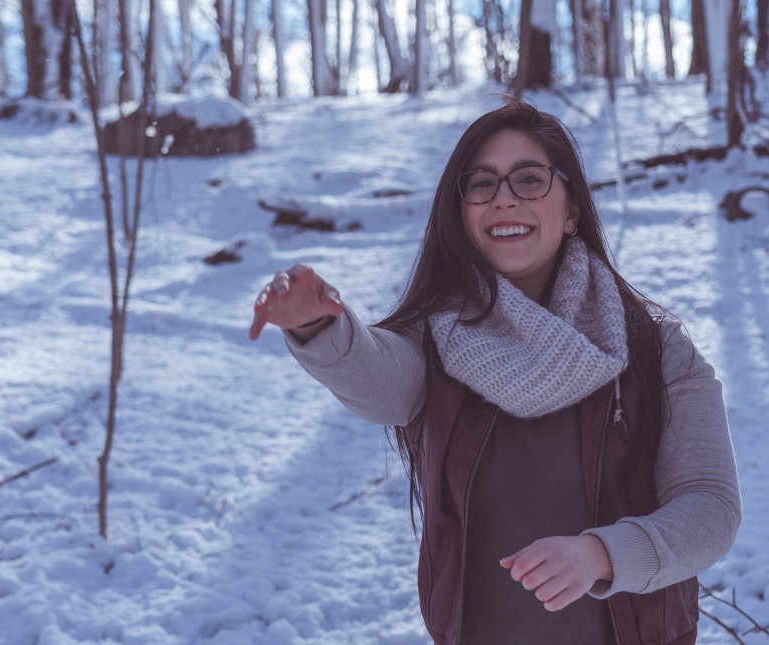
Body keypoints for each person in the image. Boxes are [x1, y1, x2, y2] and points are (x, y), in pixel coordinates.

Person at [248, 99, 740, 645]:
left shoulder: (655, 348)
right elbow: (383, 380)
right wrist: (318, 327)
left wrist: (601, 555)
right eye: (481, 184)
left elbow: (710, 508)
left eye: (529, 179)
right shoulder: (437, 341)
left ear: (572, 210)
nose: (503, 198)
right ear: (461, 213)